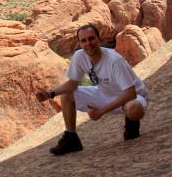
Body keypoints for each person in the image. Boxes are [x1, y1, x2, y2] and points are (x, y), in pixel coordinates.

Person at [36, 23, 148, 155]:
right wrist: (50, 94)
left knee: (134, 109)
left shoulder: (114, 60)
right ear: (80, 43)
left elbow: (130, 93)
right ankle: (71, 138)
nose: (88, 43)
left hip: (132, 97)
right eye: (83, 40)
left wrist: (101, 111)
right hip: (105, 93)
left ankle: (131, 123)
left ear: (98, 39)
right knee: (67, 94)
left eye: (91, 38)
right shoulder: (79, 56)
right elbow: (72, 84)